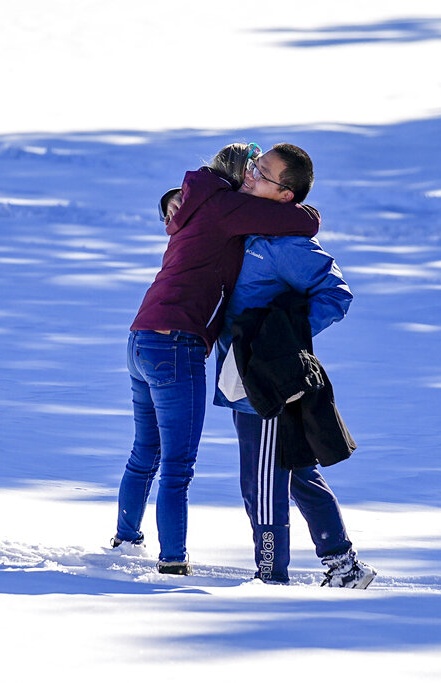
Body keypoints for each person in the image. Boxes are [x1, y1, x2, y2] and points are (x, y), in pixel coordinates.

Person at [113, 143, 321, 575]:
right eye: (251, 170)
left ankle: (125, 538)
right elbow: (297, 220)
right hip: (176, 345)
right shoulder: (226, 207)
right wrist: (311, 214)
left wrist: (172, 197)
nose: (253, 178)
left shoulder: (198, 202)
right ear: (233, 176)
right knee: (177, 464)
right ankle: (172, 561)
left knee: (145, 451)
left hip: (141, 339)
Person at [207, 142, 376, 588]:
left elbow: (337, 295)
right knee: (297, 469)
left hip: (264, 383)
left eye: (262, 173)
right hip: (246, 375)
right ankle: (344, 565)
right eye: (254, 167)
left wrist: (282, 341)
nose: (251, 176)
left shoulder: (286, 245)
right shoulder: (249, 225)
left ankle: (271, 581)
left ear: (285, 194)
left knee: (261, 484)